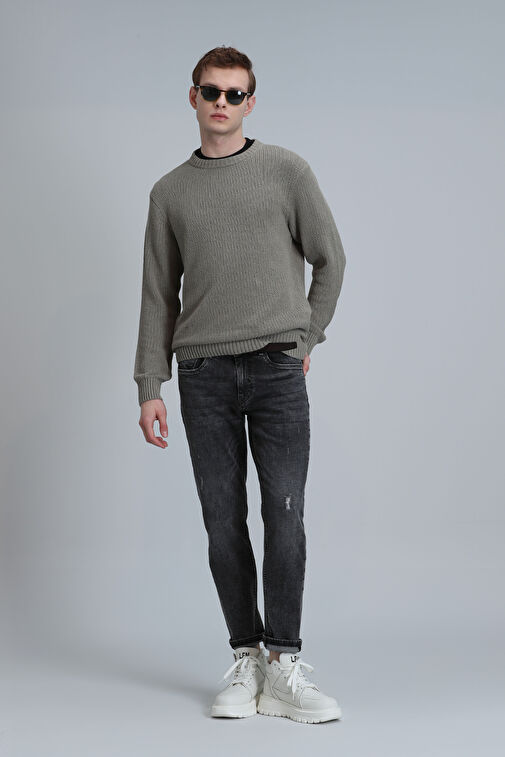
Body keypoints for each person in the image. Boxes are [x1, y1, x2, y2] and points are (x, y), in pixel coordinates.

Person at [133, 45, 346, 724]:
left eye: (233, 93)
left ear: (250, 102)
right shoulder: (169, 192)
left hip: (276, 369)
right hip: (202, 375)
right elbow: (157, 294)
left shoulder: (285, 170)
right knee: (221, 520)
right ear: (192, 97)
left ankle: (283, 663)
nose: (221, 103)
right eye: (210, 91)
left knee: (284, 515)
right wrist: (149, 384)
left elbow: (330, 259)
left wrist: (306, 338)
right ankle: (245, 655)